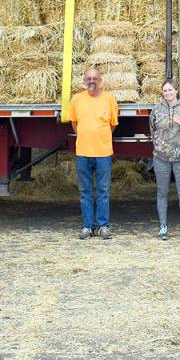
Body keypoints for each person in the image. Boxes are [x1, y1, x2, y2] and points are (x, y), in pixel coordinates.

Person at [69, 66, 119, 240]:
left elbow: (113, 124)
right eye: (88, 78)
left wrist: (101, 138)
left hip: (103, 153)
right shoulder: (76, 100)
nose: (92, 81)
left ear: (100, 80)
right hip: (83, 152)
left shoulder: (109, 99)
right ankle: (87, 226)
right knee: (85, 191)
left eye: (95, 78)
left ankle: (103, 226)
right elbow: (75, 123)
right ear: (84, 81)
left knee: (104, 190)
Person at [149, 79, 180, 240]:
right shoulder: (156, 110)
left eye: (170, 90)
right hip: (161, 158)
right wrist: (161, 146)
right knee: (162, 192)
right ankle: (163, 227)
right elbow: (152, 130)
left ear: (176, 91)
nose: (168, 93)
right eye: (165, 91)